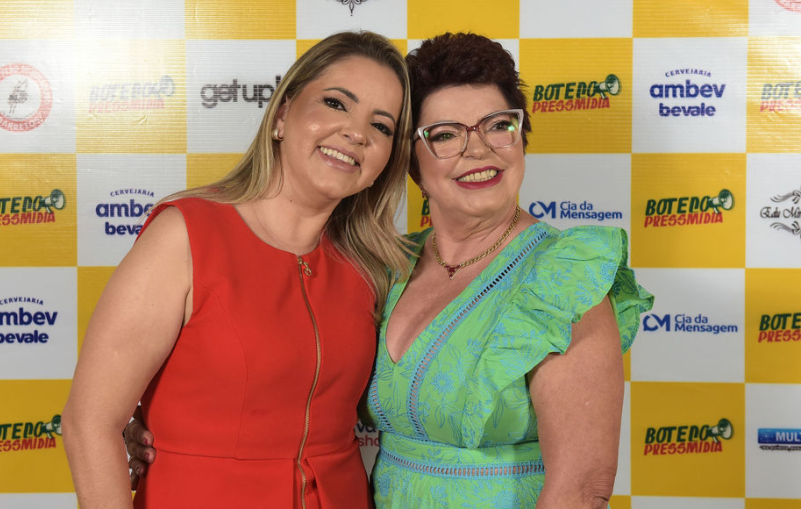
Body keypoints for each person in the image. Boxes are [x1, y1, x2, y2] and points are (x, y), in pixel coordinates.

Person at [124, 33, 653, 508]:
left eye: (499, 126)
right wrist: (161, 426)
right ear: (411, 161)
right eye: (445, 134)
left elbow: (581, 489)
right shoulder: (384, 266)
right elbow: (289, 382)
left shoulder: (564, 276)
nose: (479, 149)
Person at [62, 30, 414, 509]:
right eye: (336, 103)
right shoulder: (185, 236)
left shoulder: (376, 267)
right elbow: (88, 423)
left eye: (382, 126)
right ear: (283, 115)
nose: (357, 132)